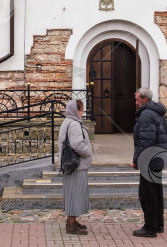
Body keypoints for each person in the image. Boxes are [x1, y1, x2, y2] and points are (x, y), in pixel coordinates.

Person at [131, 87, 167, 238]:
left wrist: (136, 160)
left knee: (147, 194)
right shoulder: (156, 113)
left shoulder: (146, 115)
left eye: (137, 99)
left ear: (145, 100)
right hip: (158, 158)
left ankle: (150, 227)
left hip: (149, 160)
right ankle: (158, 224)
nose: (135, 102)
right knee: (156, 193)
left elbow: (146, 141)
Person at [58, 99, 92, 235]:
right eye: (81, 110)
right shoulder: (74, 124)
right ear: (75, 110)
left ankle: (71, 220)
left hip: (69, 164)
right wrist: (88, 152)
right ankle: (71, 224)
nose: (83, 113)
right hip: (75, 165)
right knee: (75, 193)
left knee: (72, 192)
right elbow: (76, 144)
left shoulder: (67, 122)